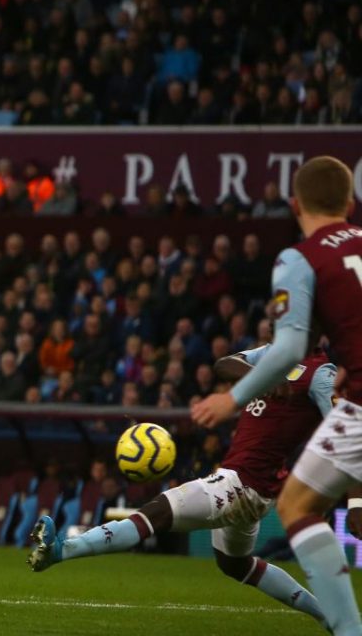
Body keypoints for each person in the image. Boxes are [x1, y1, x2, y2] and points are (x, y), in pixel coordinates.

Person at [29, 344, 333, 629]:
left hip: (242, 484)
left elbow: (351, 436)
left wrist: (352, 500)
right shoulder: (273, 353)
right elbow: (224, 364)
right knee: (234, 564)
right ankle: (330, 616)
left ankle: (61, 551)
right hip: (250, 483)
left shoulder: (321, 374)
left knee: (156, 513)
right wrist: (260, 377)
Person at [192, 156, 362, 635]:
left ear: (294, 205)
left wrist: (233, 397)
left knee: (296, 505)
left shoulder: (300, 258)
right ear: (350, 204)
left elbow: (289, 345)